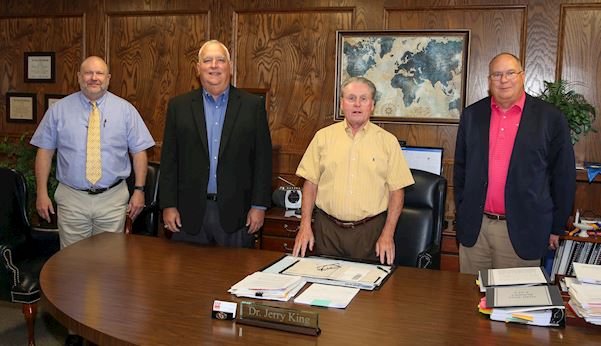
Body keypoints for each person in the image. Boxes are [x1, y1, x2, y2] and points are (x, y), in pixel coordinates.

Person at [453, 52, 575, 275]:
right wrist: (462, 214)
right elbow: (460, 170)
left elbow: (563, 177)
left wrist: (556, 227)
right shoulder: (472, 115)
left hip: (522, 230)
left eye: (510, 73)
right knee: (468, 302)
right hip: (475, 229)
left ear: (522, 76)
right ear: (489, 80)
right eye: (497, 74)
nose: (503, 80)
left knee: (513, 306)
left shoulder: (550, 117)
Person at [31, 56, 155, 249]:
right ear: (79, 77)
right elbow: (44, 152)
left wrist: (139, 191)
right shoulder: (58, 110)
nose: (94, 78)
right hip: (72, 199)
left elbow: (139, 152)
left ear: (108, 78)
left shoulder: (125, 111)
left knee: (110, 262)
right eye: (88, 73)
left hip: (112, 200)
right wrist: (41, 192)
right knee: (72, 264)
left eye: (99, 73)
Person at [159, 40, 272, 248]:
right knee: (187, 278)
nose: (214, 65)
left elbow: (262, 161)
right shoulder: (179, 107)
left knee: (235, 277)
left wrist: (259, 206)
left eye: (220, 60)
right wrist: (168, 205)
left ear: (230, 66)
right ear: (198, 68)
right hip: (188, 214)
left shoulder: (252, 106)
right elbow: (169, 161)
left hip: (237, 215)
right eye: (207, 60)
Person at [292, 77, 414, 265]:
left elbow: (397, 192)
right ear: (342, 103)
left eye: (363, 99)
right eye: (351, 98)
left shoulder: (388, 142)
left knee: (368, 291)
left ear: (372, 105)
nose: (357, 104)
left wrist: (387, 235)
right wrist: (304, 226)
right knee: (326, 287)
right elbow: (310, 184)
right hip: (327, 230)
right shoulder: (322, 137)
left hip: (370, 232)